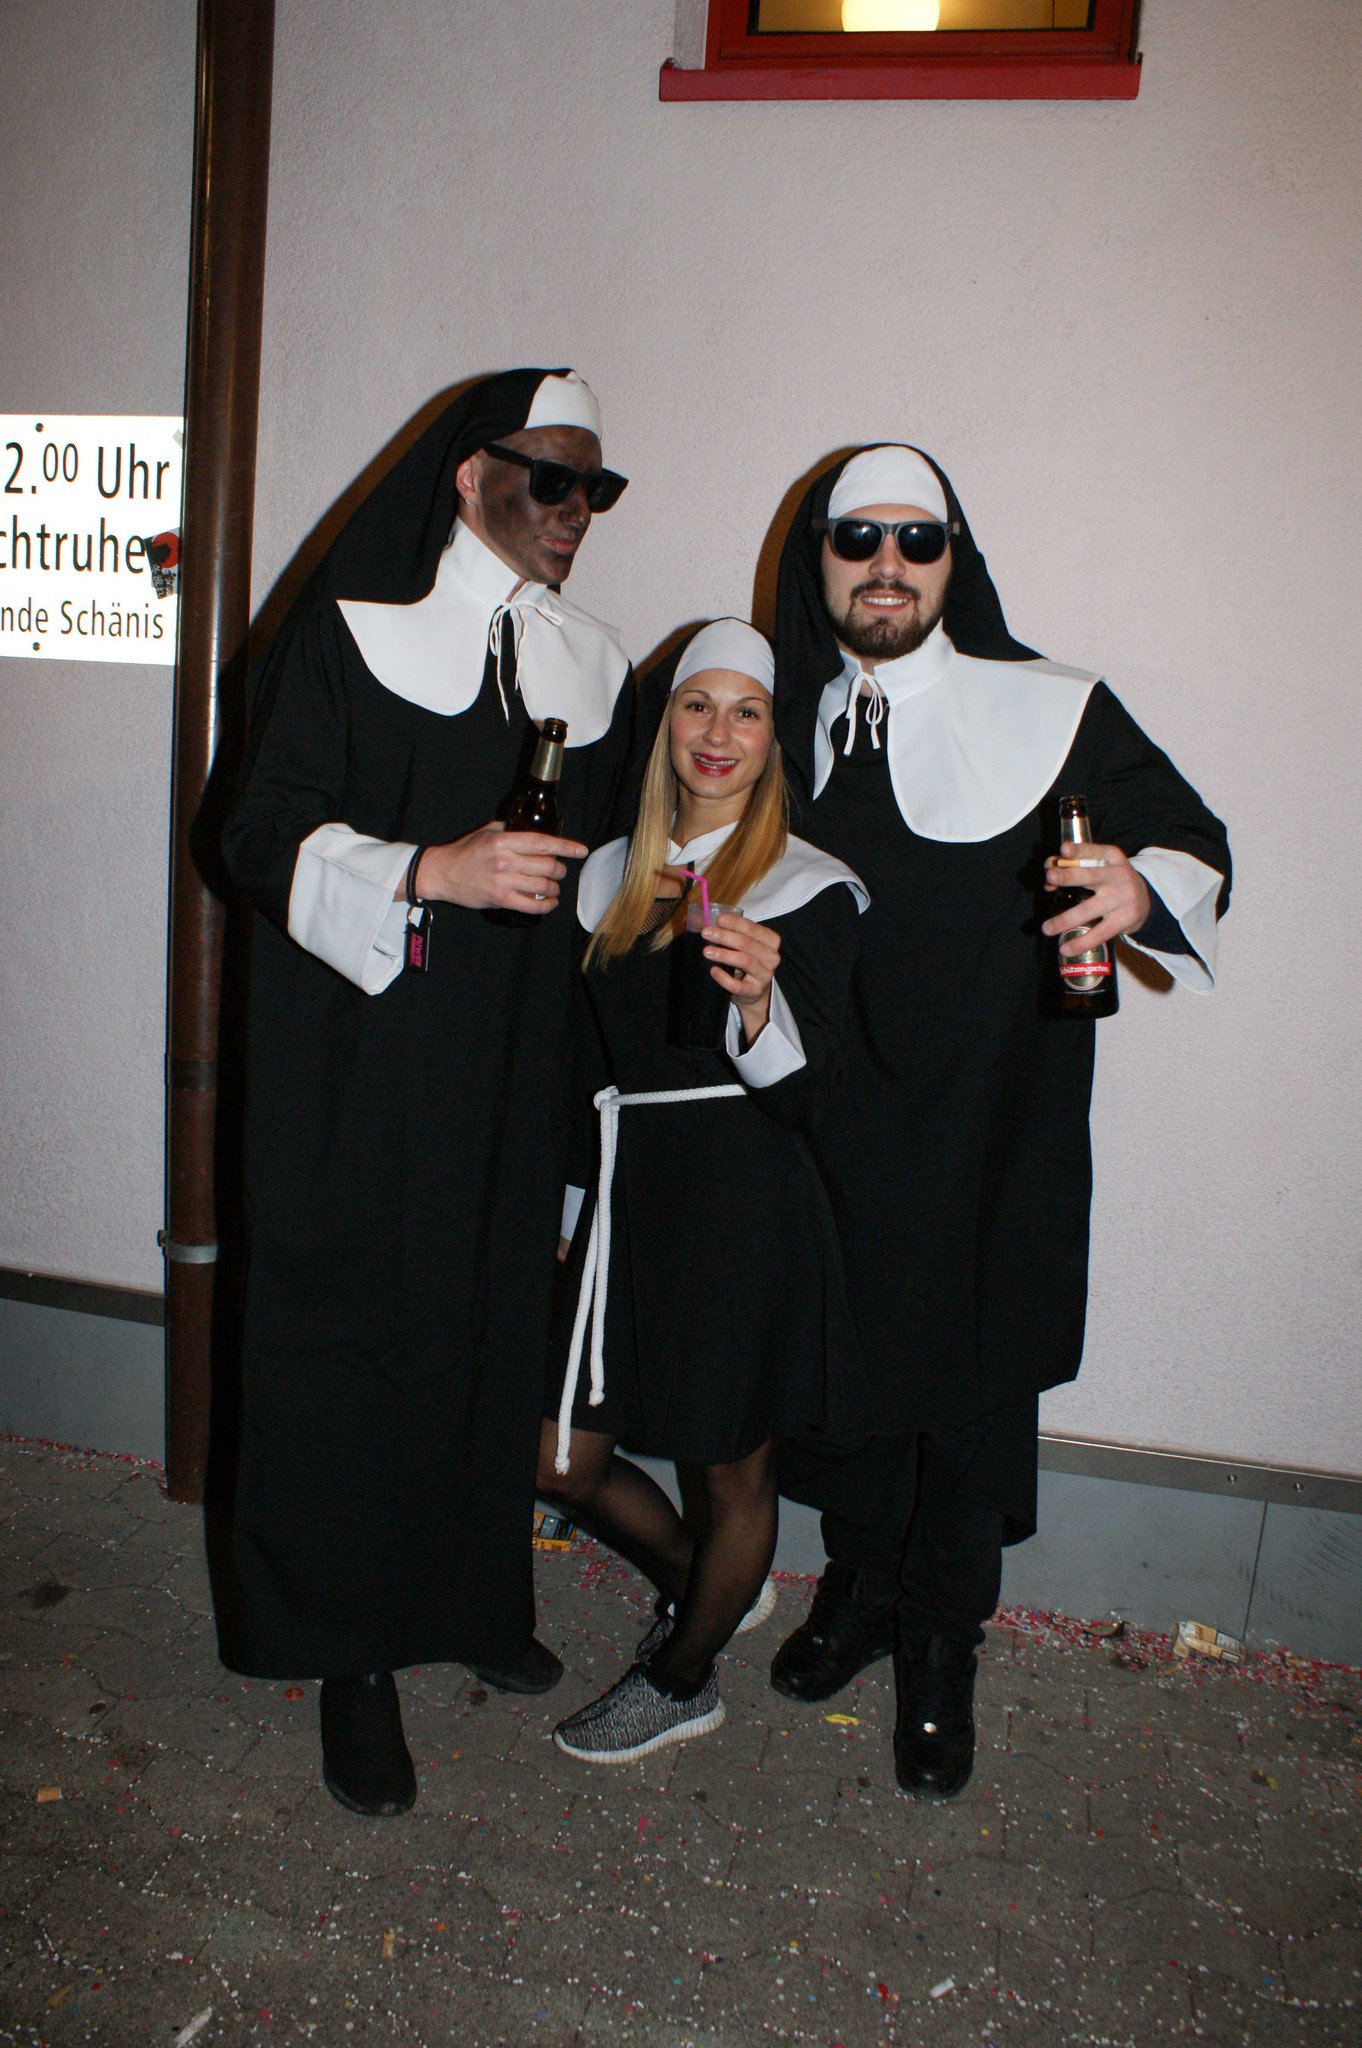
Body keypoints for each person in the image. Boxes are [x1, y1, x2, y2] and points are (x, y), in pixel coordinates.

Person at [767, 444, 1231, 1798]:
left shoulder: (1051, 705)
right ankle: (861, 1589)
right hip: (834, 1113)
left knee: (970, 1386)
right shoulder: (776, 709)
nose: (887, 566)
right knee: (849, 1374)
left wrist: (1140, 891)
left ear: (953, 560)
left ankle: (941, 1642)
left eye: (919, 541)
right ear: (817, 559)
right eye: (858, 538)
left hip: (990, 1125)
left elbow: (1192, 838)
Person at [221, 368, 635, 1816]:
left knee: (487, 1326)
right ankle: (350, 1652)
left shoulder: (594, 661)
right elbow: (253, 830)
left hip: (516, 1063)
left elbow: (622, 866)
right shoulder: (350, 632)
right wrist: (429, 869)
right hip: (362, 1060)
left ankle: (471, 1600)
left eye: (597, 489)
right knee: (354, 1338)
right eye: (552, 480)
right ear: (469, 476)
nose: (577, 511)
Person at [537, 618, 871, 1764]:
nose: (718, 732)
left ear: (774, 737)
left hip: (745, 1203)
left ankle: (682, 1675)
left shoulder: (809, 886)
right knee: (559, 1458)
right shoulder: (603, 878)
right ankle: (711, 1584)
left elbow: (811, 1096)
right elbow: (581, 1068)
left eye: (747, 711)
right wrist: (574, 1218)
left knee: (733, 1468)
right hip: (627, 1193)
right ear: (665, 723)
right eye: (697, 704)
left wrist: (758, 1005)